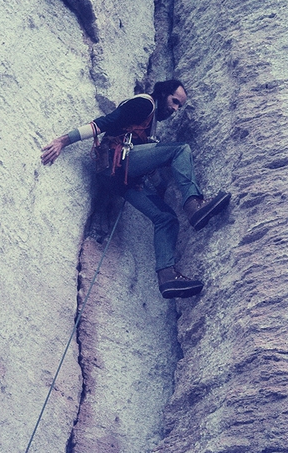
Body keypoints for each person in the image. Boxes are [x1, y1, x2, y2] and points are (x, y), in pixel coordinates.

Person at [41, 80, 231, 299]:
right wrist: (64, 141)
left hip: (120, 178)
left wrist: (160, 187)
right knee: (180, 150)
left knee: (166, 218)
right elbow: (106, 122)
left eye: (179, 106)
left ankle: (167, 276)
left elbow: (151, 170)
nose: (175, 109)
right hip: (118, 161)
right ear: (162, 94)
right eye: (174, 102)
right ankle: (194, 204)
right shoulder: (144, 104)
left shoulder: (150, 124)